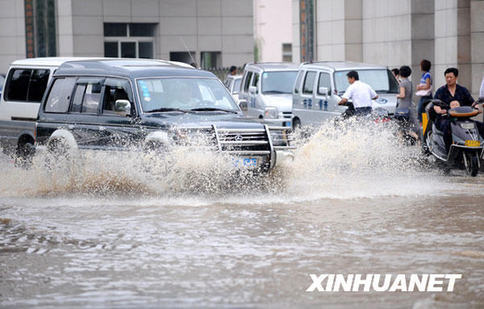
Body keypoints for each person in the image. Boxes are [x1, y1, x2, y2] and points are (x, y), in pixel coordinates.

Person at [433, 67, 477, 151]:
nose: (448, 79)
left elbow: (472, 103)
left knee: (479, 126)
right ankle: (449, 150)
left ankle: (478, 149)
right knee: (448, 127)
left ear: (456, 78)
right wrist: (438, 109)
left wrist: (477, 107)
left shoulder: (463, 90)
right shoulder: (441, 91)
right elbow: (435, 104)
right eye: (447, 77)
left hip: (462, 119)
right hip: (445, 118)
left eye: (451, 77)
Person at [396, 65, 418, 138]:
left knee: (401, 126)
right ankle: (417, 138)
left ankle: (416, 137)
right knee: (407, 125)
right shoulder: (409, 82)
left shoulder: (403, 83)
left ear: (400, 73)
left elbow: (402, 95)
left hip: (402, 106)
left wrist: (397, 96)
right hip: (410, 105)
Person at [416, 59, 433, 124]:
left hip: (426, 96)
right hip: (424, 95)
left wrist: (420, 87)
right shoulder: (424, 74)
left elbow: (428, 86)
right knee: (422, 111)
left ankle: (423, 124)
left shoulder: (427, 75)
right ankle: (423, 124)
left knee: (420, 110)